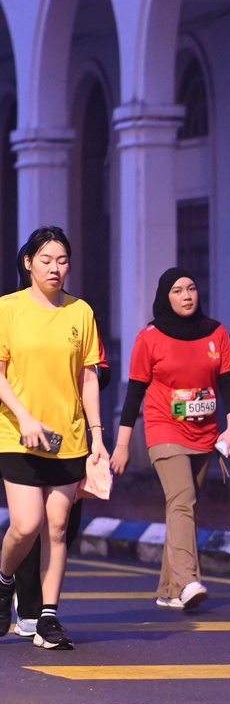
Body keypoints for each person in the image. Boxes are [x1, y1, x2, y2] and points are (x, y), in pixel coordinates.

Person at [0, 226, 107, 650]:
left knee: (58, 527)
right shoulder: (7, 309)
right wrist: (25, 418)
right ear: (28, 263)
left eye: (62, 261)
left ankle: (48, 617)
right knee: (26, 525)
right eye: (45, 260)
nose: (54, 268)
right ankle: (4, 579)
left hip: (69, 438)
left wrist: (97, 437)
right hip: (17, 434)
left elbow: (88, 377)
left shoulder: (81, 312)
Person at [110, 268, 230, 609]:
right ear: (165, 297)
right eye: (178, 291)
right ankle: (187, 581)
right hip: (164, 428)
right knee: (183, 499)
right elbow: (134, 394)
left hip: (205, 432)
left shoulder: (216, 332)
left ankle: (168, 590)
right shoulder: (149, 337)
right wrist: (122, 445)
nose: (186, 296)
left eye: (191, 288)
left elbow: (228, 382)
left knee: (182, 505)